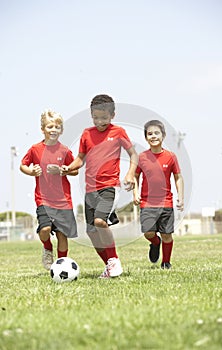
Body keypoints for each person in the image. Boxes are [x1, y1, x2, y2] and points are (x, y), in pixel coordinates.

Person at [61, 94, 138, 278]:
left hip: (110, 186)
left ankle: (114, 259)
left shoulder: (118, 132)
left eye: (104, 117)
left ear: (112, 115)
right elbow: (80, 159)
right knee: (92, 232)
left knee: (100, 221)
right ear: (91, 114)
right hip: (90, 190)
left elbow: (134, 155)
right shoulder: (87, 134)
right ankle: (109, 266)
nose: (100, 121)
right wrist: (68, 168)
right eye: (96, 117)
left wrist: (129, 174)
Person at [20, 109, 78, 270]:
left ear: (61, 130)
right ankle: (47, 247)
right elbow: (23, 165)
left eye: (57, 127)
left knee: (62, 234)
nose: (53, 130)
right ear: (43, 129)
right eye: (50, 127)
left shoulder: (64, 150)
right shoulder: (35, 149)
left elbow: (75, 170)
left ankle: (62, 266)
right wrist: (31, 171)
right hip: (43, 199)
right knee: (45, 229)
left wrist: (63, 170)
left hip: (63, 201)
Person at [133, 120, 184, 269]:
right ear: (146, 137)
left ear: (163, 136)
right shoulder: (141, 157)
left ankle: (166, 262)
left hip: (166, 202)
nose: (153, 136)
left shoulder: (171, 157)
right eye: (150, 134)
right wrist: (135, 193)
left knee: (167, 234)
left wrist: (180, 197)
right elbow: (135, 176)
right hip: (147, 203)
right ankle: (155, 243)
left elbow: (178, 177)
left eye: (156, 133)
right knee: (148, 233)